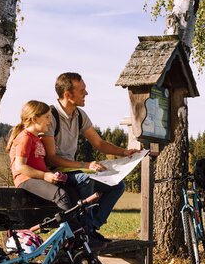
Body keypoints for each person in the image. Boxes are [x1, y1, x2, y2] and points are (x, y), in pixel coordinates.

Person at [41, 72, 139, 246]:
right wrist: (86, 165)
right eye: (82, 90)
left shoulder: (79, 115)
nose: (86, 93)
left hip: (73, 171)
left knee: (117, 185)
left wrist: (124, 152)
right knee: (86, 178)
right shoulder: (50, 116)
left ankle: (91, 228)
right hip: (56, 175)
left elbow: (99, 143)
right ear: (67, 94)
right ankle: (85, 232)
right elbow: (51, 159)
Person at [7, 100, 78, 218]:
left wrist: (51, 174)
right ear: (35, 119)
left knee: (73, 191)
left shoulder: (36, 139)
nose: (50, 121)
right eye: (47, 117)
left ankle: (83, 230)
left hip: (37, 178)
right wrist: (44, 176)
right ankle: (75, 233)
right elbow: (20, 166)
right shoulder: (25, 138)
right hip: (26, 179)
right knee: (61, 195)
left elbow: (39, 163)